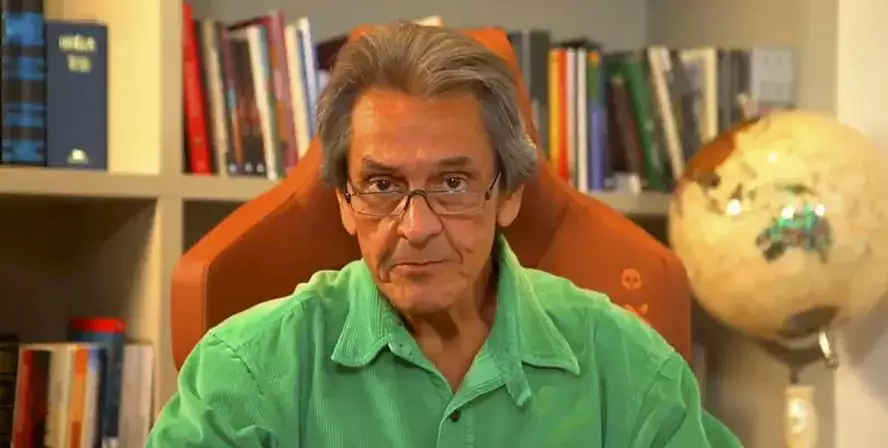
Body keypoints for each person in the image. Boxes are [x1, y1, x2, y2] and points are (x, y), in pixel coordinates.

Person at [148, 22, 742, 447]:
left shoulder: (627, 366)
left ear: (509, 194)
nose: (417, 227)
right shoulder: (247, 371)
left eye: (453, 184)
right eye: (382, 185)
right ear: (345, 202)